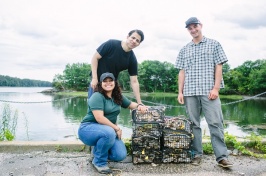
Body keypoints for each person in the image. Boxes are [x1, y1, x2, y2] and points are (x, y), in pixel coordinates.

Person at [175, 17, 233, 168]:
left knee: (215, 123)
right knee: (194, 125)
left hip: (209, 91)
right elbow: (182, 72)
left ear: (201, 26)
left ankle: (221, 157)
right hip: (189, 92)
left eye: (195, 26)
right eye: (190, 28)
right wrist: (180, 92)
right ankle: (197, 155)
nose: (193, 30)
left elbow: (219, 67)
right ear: (188, 30)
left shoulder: (214, 44)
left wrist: (216, 88)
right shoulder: (184, 49)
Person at [79, 72, 147, 174]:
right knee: (109, 132)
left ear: (114, 82)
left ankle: (97, 151)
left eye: (110, 81)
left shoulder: (117, 96)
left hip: (107, 130)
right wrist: (116, 128)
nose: (108, 83)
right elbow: (99, 118)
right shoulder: (97, 96)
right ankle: (99, 162)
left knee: (120, 155)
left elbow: (130, 105)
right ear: (100, 83)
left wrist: (140, 106)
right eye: (105, 81)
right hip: (88, 129)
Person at [89, 29, 144, 105]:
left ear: (138, 44)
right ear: (128, 36)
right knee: (94, 107)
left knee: (110, 109)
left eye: (137, 41)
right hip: (97, 81)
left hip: (111, 85)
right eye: (133, 38)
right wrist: (94, 78)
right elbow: (95, 58)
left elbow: (134, 81)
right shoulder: (111, 44)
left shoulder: (132, 59)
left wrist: (139, 102)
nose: (134, 41)